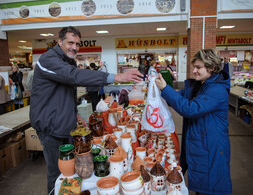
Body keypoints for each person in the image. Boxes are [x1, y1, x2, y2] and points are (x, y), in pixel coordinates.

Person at [29, 26, 143, 195]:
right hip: (49, 127)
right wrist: (116, 77)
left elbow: (65, 93)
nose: (74, 47)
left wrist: (73, 114)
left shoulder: (68, 61)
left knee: (70, 171)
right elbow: (73, 76)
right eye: (70, 42)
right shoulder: (48, 60)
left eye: (77, 44)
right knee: (57, 174)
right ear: (59, 42)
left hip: (64, 124)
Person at [155, 49, 232, 194]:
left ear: (212, 68)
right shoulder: (199, 86)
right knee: (202, 186)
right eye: (194, 67)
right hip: (200, 145)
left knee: (209, 187)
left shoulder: (217, 90)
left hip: (212, 148)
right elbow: (178, 99)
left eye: (198, 67)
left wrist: (165, 89)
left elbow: (190, 109)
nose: (194, 71)